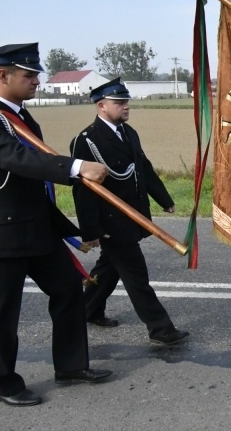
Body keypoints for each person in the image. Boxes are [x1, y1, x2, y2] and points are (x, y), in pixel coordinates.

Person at [0, 43, 112, 407]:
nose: (37, 80)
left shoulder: (21, 117)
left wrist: (66, 227)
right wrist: (76, 167)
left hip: (37, 228)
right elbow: (13, 157)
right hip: (0, 233)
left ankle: (70, 366)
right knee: (1, 313)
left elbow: (34, 174)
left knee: (68, 291)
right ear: (2, 75)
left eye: (36, 74)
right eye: (29, 74)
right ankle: (4, 383)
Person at [70, 78, 189, 346]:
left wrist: (163, 199)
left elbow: (142, 167)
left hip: (132, 215)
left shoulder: (128, 133)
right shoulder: (86, 141)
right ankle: (161, 329)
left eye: (126, 102)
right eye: (119, 102)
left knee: (110, 267)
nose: (126, 107)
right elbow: (83, 191)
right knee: (136, 276)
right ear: (101, 106)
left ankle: (88, 308)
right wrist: (91, 231)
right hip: (111, 222)